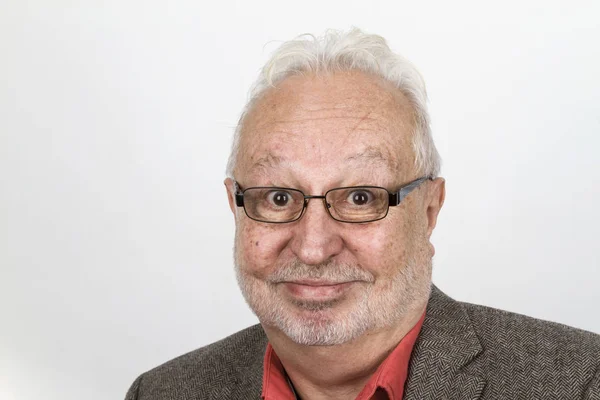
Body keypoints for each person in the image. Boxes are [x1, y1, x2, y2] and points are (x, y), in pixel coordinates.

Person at [124, 28, 600, 400]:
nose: (312, 248)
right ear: (236, 208)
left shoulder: (581, 383)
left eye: (359, 199)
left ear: (430, 210)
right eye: (279, 198)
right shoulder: (161, 392)